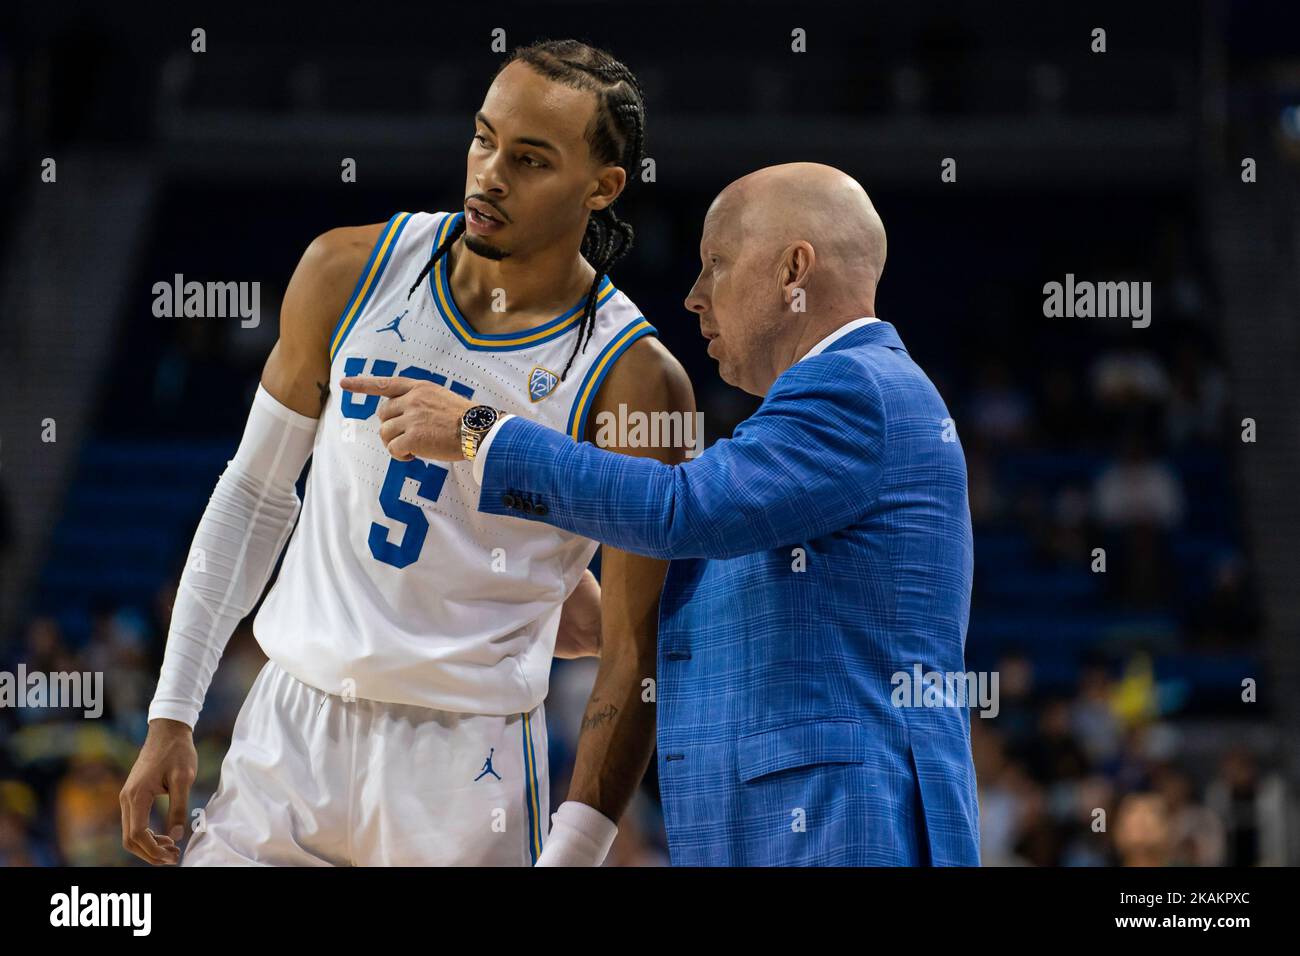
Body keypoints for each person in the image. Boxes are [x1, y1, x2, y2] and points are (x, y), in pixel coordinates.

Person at [120, 39, 693, 867]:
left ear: (602, 188)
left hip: (467, 768)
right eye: (483, 138)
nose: (490, 174)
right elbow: (253, 495)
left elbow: (632, 651)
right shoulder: (347, 269)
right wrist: (172, 712)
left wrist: (578, 848)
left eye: (530, 160)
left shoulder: (636, 380)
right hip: (290, 728)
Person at [343, 162, 980, 865]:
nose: (694, 296)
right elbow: (716, 592)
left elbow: (679, 510)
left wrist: (480, 434)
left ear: (795, 267)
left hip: (843, 829)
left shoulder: (855, 386)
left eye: (717, 264)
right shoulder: (835, 410)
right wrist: (559, 599)